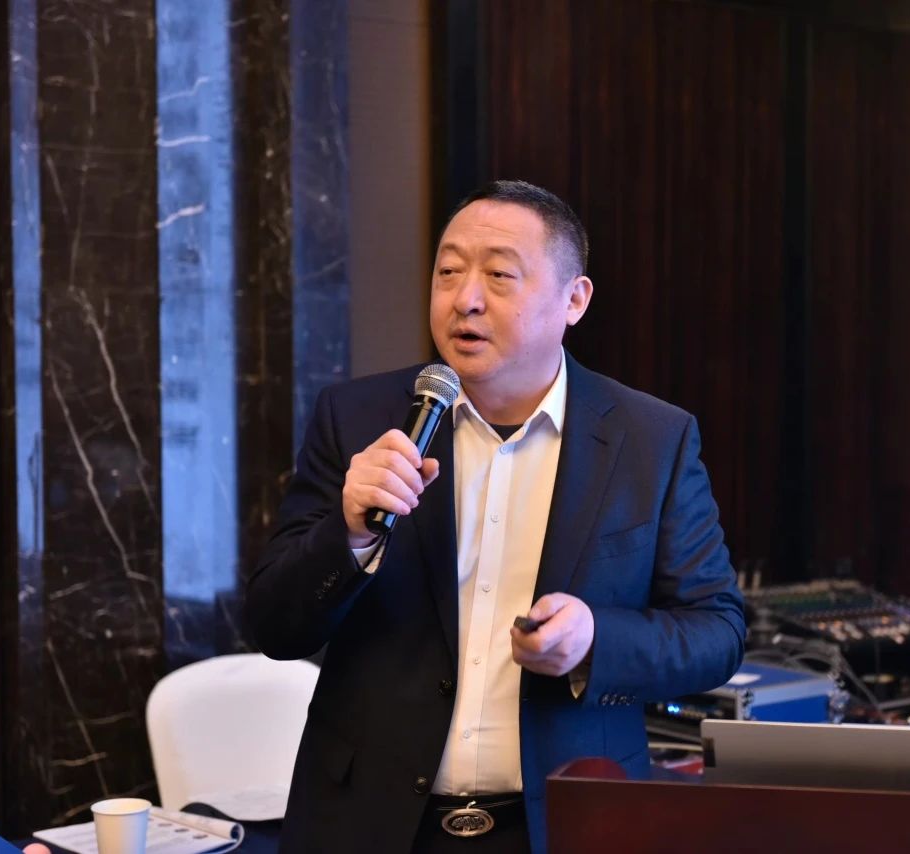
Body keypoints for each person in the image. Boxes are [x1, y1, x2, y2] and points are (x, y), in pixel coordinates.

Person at [245, 180, 744, 853]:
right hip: (373, 826)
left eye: (499, 275)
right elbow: (274, 625)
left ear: (574, 300)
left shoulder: (651, 439)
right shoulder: (359, 419)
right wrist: (351, 535)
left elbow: (717, 631)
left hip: (568, 823)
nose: (465, 299)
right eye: (448, 272)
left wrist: (595, 639)